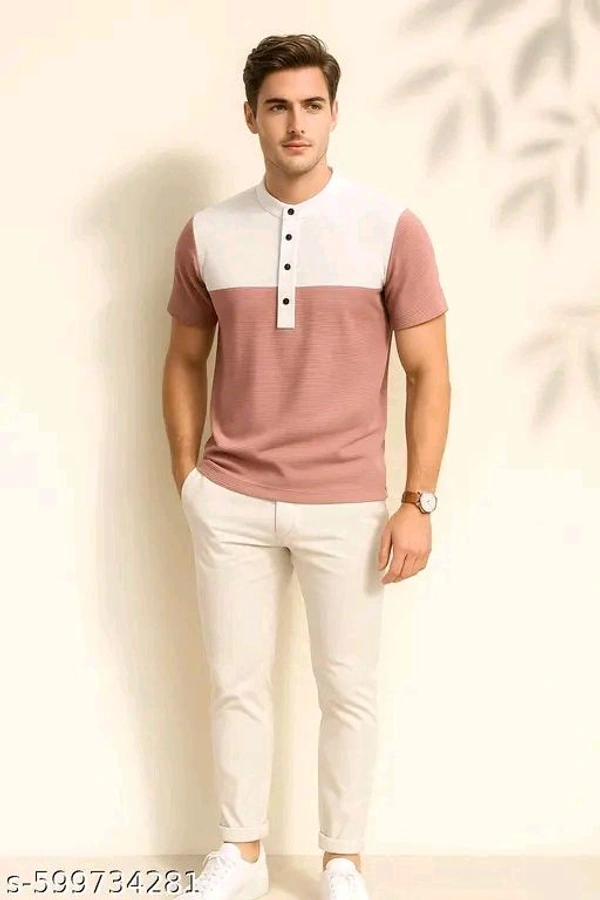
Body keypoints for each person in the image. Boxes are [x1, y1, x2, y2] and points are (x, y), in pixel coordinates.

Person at [162, 32, 451, 900]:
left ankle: (342, 861)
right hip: (232, 497)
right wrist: (189, 478)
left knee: (347, 690)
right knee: (236, 686)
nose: (297, 124)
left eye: (312, 105)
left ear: (334, 114)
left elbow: (430, 372)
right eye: (279, 106)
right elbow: (183, 360)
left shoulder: (390, 227)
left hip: (347, 501)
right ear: (251, 116)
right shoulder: (208, 232)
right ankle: (241, 854)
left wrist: (418, 500)